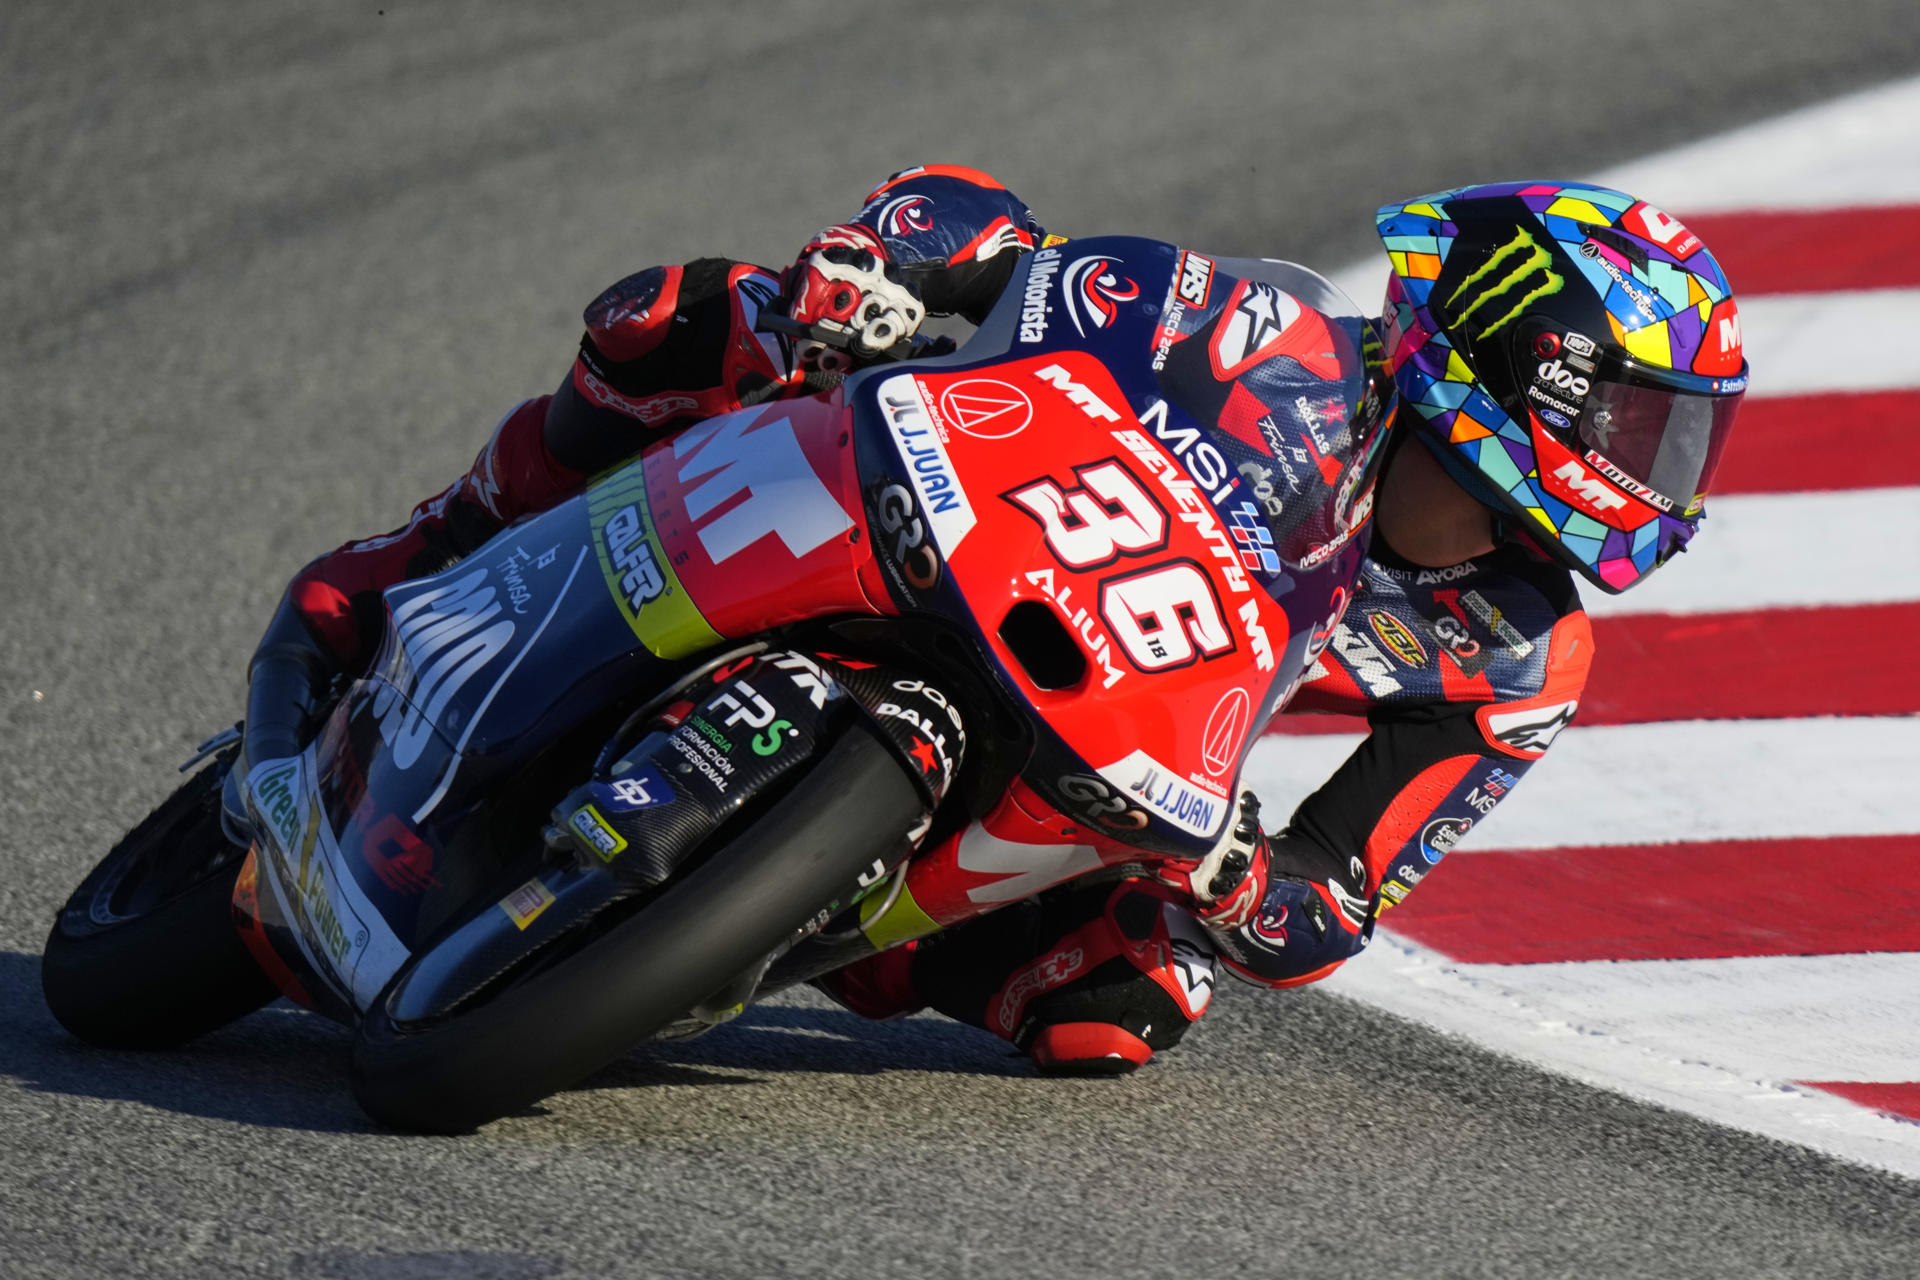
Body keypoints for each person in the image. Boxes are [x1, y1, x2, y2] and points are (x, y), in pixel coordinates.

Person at [230, 166, 1748, 1074]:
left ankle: (801, 931)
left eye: (1677, 438)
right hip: (928, 525)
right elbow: (1005, 249)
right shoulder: (1250, 329)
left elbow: (1339, 898)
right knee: (711, 314)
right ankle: (445, 539)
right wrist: (873, 277)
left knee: (1128, 1004)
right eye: (1634, 416)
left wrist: (1237, 876)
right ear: (1514, 353)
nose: (1651, 468)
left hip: (1108, 728)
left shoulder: (1515, 656)